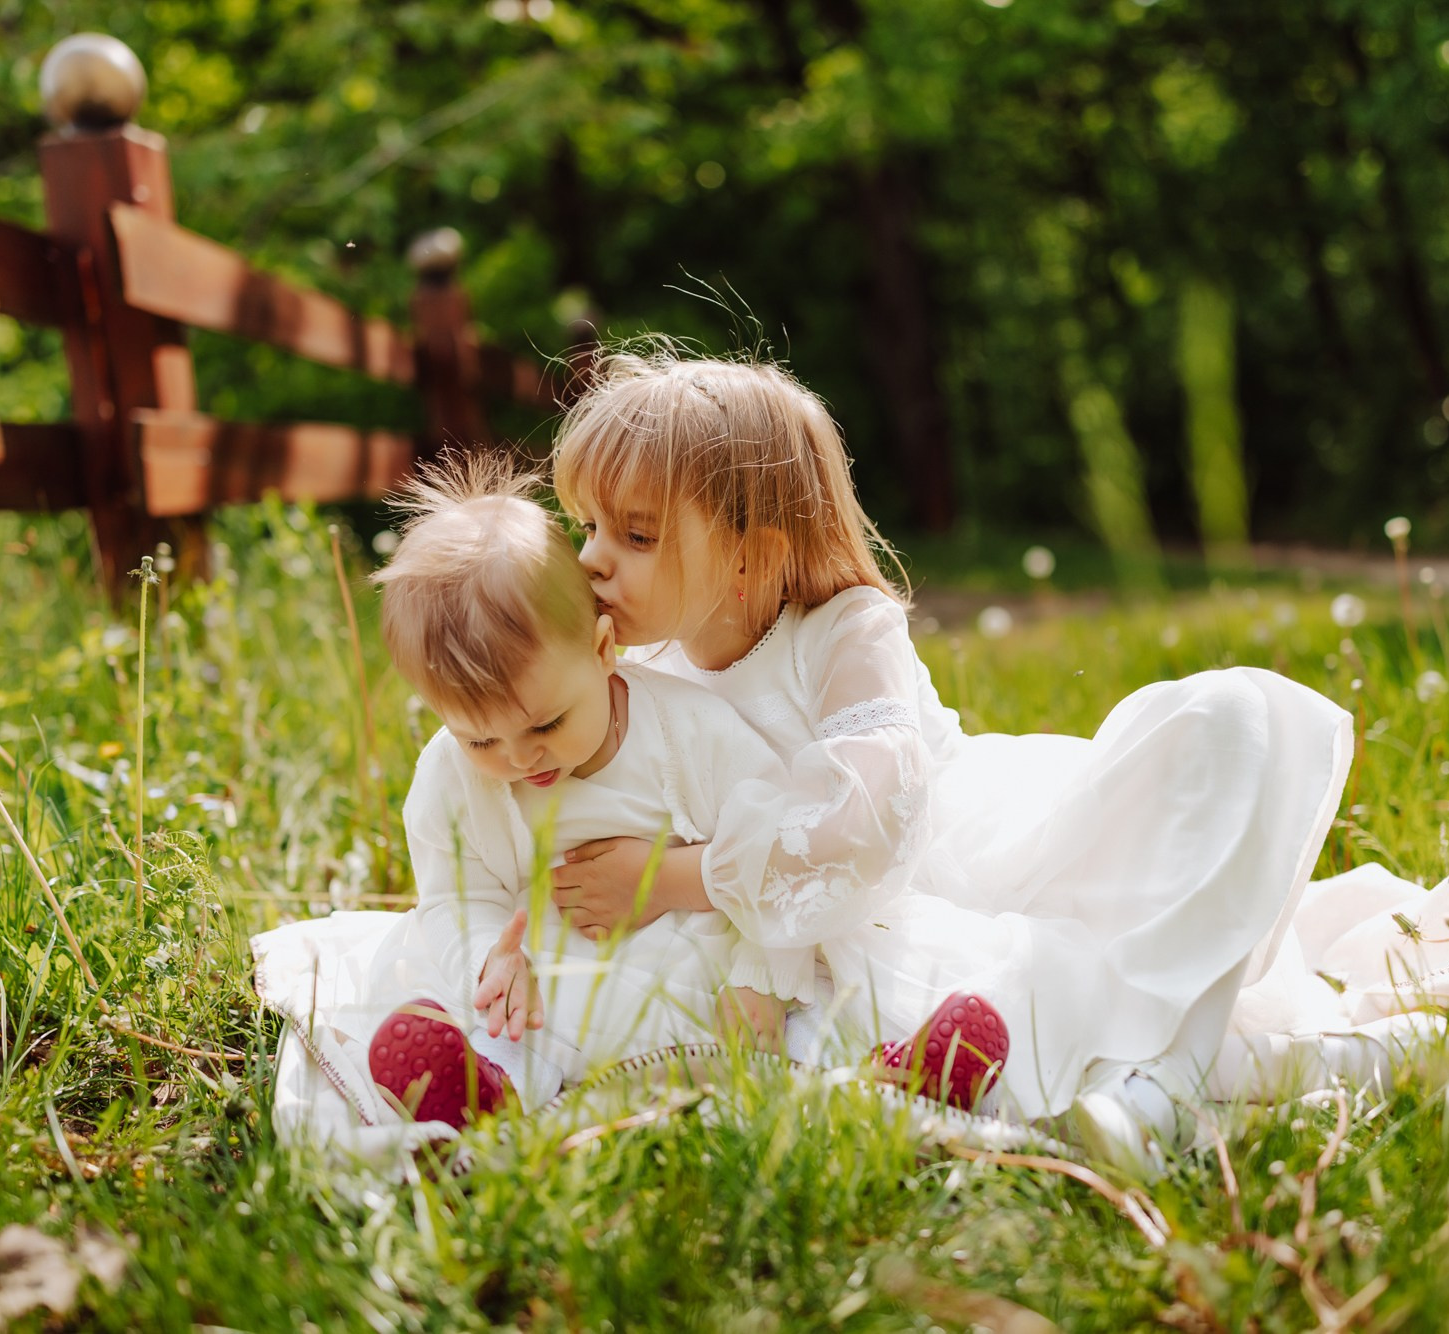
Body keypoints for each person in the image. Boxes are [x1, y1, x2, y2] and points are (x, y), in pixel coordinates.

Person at [546, 350, 1449, 1177]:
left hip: (981, 848)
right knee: (1010, 1020)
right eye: (585, 524)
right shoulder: (639, 671)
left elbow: (871, 820)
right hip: (853, 935)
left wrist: (676, 877)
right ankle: (1187, 1086)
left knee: (1231, 720)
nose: (591, 559)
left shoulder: (843, 631)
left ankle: (1169, 1089)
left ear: (751, 556)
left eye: (633, 534)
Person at [254, 455, 1007, 1138]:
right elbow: (457, 892)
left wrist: (758, 982)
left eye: (545, 723)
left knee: (785, 1027)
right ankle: (482, 1096)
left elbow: (775, 852)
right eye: (481, 739)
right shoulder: (450, 777)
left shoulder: (689, 732)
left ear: (605, 650)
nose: (518, 760)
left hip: (700, 950)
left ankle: (881, 1080)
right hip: (551, 964)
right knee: (504, 1027)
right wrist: (490, 958)